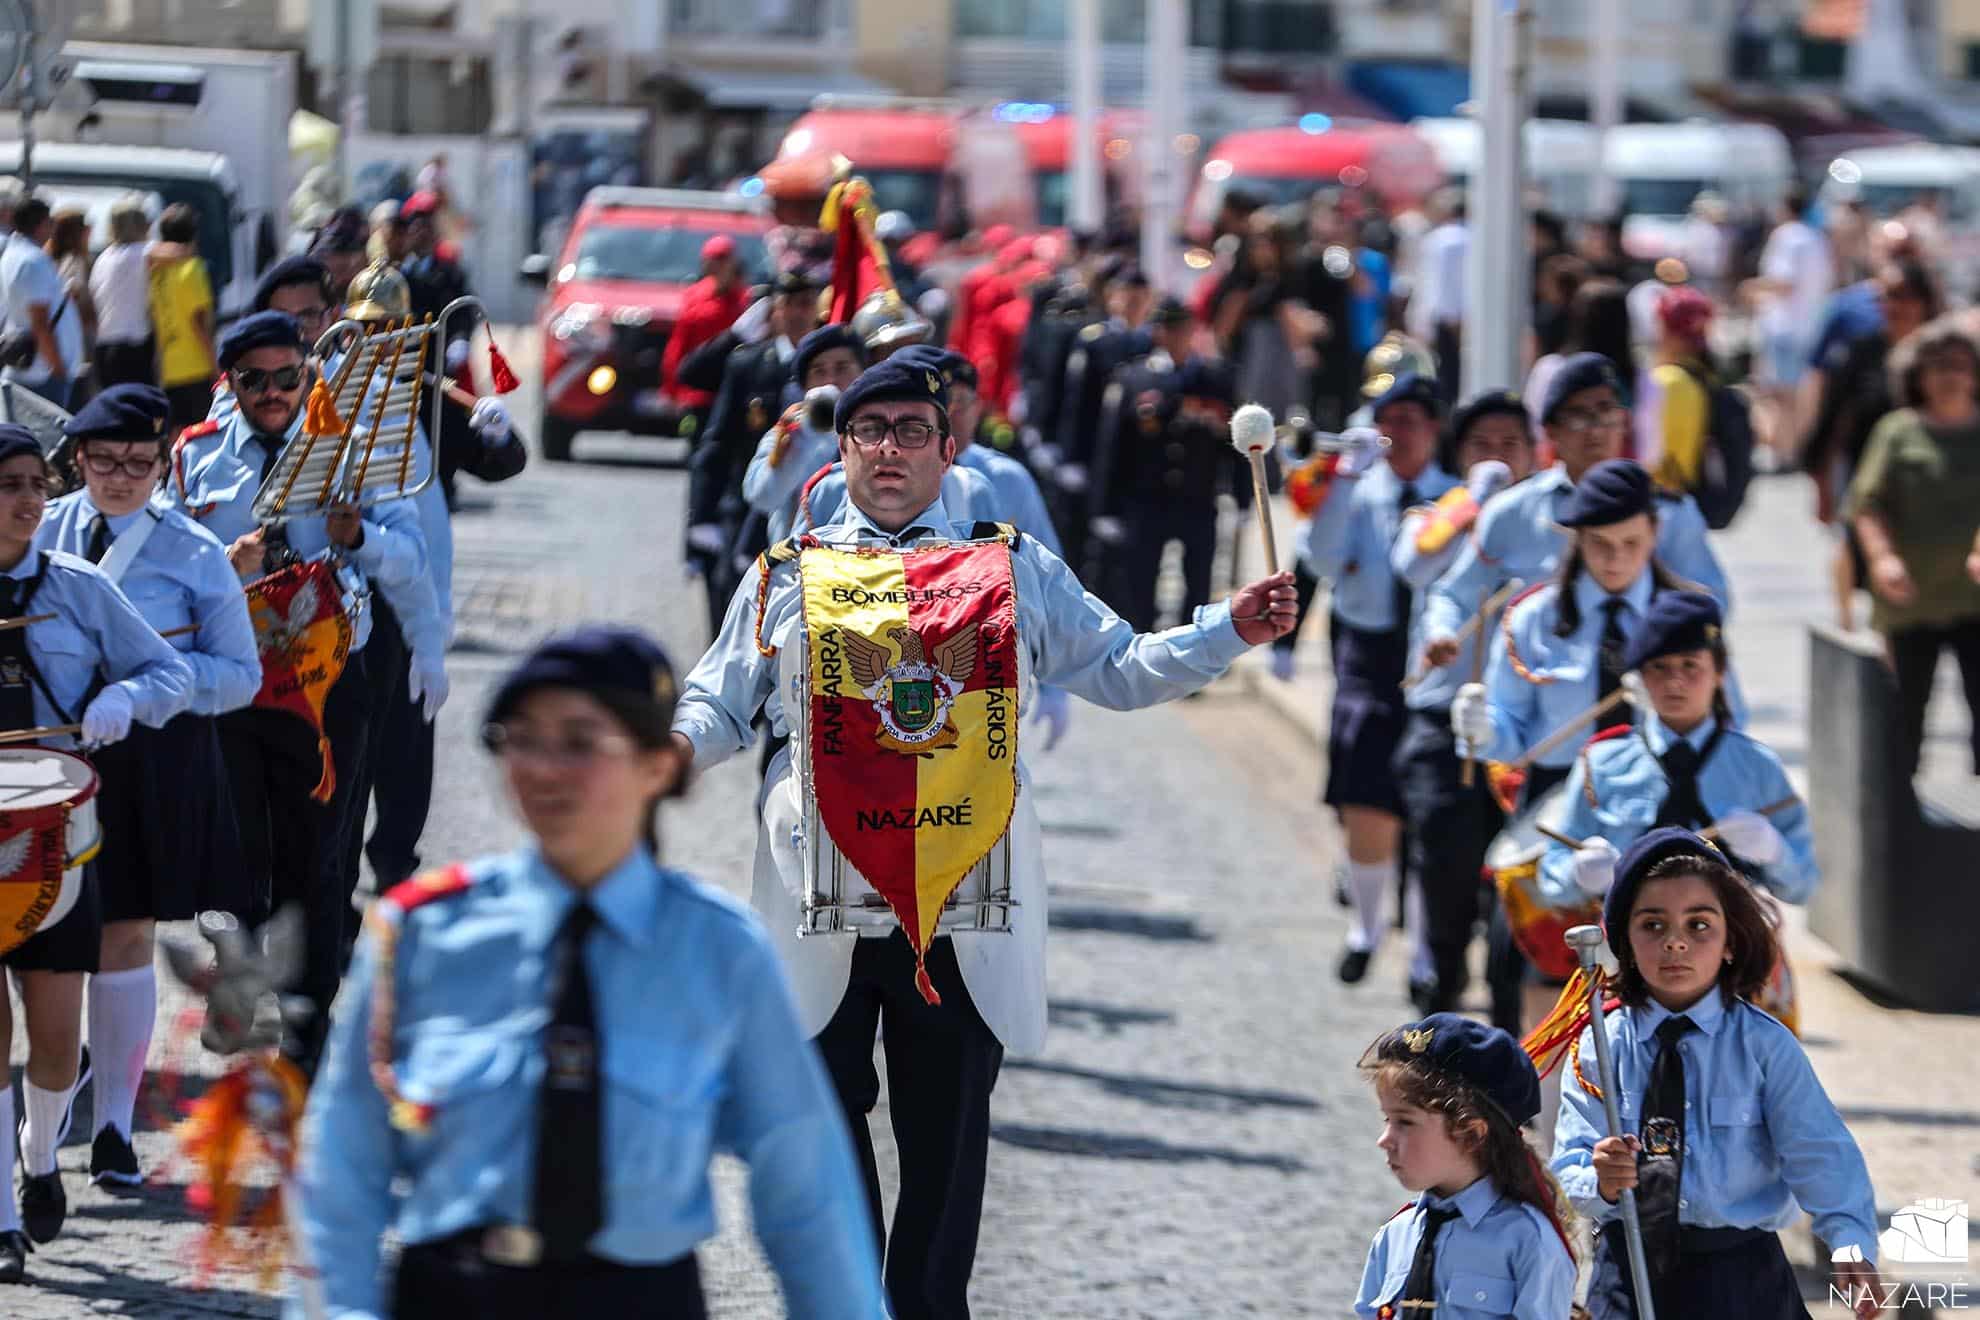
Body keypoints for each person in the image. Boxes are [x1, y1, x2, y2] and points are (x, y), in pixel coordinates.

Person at [670, 357, 1297, 1318]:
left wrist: (1227, 629)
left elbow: (1118, 665)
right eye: (869, 430)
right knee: (823, 1138)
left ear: (949, 448)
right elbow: (721, 698)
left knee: (947, 1149)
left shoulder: (1008, 566)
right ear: (840, 451)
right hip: (821, 898)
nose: (889, 449)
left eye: (910, 431)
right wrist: (666, 750)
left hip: (962, 898)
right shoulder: (788, 572)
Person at [293, 626, 885, 1318]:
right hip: (451, 1291)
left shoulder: (718, 951)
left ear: (659, 765)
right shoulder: (423, 933)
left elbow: (806, 1188)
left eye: (580, 742)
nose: (544, 768)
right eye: (523, 739)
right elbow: (343, 1166)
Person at [161, 310, 433, 1076]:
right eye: (257, 380)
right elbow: (166, 571)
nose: (276, 392)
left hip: (329, 685)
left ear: (309, 374)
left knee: (320, 859)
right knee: (232, 854)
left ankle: (308, 1037)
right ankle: (240, 987)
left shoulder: (349, 449)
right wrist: (226, 562)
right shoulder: (197, 457)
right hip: (236, 681)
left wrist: (357, 539)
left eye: (290, 376)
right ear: (231, 383)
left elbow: (411, 561)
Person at [35, 385, 259, 1187]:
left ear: (164, 465)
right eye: (103, 463)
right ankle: (39, 1130)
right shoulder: (42, 531)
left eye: (139, 464)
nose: (120, 478)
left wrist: (145, 690)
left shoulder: (194, 552)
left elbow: (240, 675)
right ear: (76, 463)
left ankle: (116, 1131)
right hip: (46, 757)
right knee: (36, 939)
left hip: (149, 762)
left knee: (122, 935)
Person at [0, 424, 193, 1281]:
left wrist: (123, 695)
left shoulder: (76, 587)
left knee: (50, 1040)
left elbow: (174, 675)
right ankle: (1, 1219)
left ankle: (40, 1157)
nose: (28, 501)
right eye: (7, 485)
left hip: (57, 845)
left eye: (35, 484)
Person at [1549, 829, 1882, 1319]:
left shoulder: (1764, 1046)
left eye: (1698, 925)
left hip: (1742, 1277)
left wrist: (1849, 1241)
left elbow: (1821, 1152)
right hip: (1630, 1271)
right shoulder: (1603, 1042)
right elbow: (1568, 1160)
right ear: (1624, 940)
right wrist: (1599, 1179)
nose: (1676, 943)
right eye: (1653, 925)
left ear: (1731, 941)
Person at [1301, 373, 1458, 985]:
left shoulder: (1455, 497)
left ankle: (1422, 954)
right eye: (1390, 420)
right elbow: (1320, 557)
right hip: (1368, 656)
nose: (1401, 432)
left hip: (1432, 659)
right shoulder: (1358, 491)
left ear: (1435, 428)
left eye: (1414, 420)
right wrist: (1342, 477)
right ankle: (1366, 927)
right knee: (1366, 802)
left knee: (1426, 816)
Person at [1391, 390, 1537, 1016]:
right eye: (1482, 445)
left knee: (1516, 895)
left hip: (1524, 730)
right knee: (1445, 866)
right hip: (1442, 720)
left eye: (1511, 445)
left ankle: (1509, 1025)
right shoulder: (1437, 515)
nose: (1498, 457)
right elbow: (1412, 565)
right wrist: (1473, 503)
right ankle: (1440, 982)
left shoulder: (1553, 521)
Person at [1354, 1013, 1577, 1319]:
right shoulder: (1396, 1234)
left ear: (1471, 1134)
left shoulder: (1526, 1240)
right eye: (1387, 1119)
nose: (1385, 1139)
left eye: (1405, 1122)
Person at [1846, 315, 1980, 779]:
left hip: (1974, 602)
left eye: (1959, 365)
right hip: (1910, 605)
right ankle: (1901, 832)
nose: (1949, 375)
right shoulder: (1897, 432)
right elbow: (1865, 504)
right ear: (1918, 374)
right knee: (1904, 721)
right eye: (1937, 364)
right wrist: (1882, 558)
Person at [685, 270, 825, 635]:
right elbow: (716, 442)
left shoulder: (832, 370)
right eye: (789, 303)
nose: (797, 312)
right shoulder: (747, 363)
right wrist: (700, 517)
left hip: (810, 509)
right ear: (774, 310)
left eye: (806, 303)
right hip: (747, 505)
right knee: (734, 604)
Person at [1803, 259, 1938, 629]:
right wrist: (1821, 480)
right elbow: (1832, 416)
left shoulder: (1945, 354)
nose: (1896, 306)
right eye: (1887, 297)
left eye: (1905, 296)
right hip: (1867, 474)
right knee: (1854, 547)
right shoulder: (1862, 350)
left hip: (1930, 478)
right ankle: (1850, 625)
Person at [1087, 299, 1234, 629]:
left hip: (1198, 497)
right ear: (1157, 334)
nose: (1177, 338)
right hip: (1147, 499)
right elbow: (1112, 447)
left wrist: (1241, 497)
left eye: (1183, 330)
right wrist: (1105, 508)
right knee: (1140, 585)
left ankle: (1190, 660)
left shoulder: (1213, 377)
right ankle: (1145, 653)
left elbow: (1232, 441)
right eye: (1169, 330)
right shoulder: (1134, 379)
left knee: (1197, 588)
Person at [1, 197, 87, 410]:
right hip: (42, 373)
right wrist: (58, 369)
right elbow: (40, 322)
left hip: (34, 367)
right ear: (41, 225)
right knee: (49, 439)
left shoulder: (15, 254)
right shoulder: (32, 261)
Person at [662, 235, 750, 436]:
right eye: (713, 259)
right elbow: (679, 344)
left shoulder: (745, 299)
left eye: (723, 259)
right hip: (697, 394)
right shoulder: (695, 297)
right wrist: (671, 389)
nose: (717, 265)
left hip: (732, 392)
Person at [148, 203, 218, 431]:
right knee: (200, 431)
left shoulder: (158, 271)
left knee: (175, 433)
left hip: (170, 367)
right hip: (195, 366)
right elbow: (198, 322)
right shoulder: (193, 268)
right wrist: (215, 366)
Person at [89, 197, 156, 389]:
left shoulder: (103, 258)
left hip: (104, 346)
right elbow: (173, 251)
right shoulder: (143, 252)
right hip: (134, 347)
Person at [45, 209, 98, 389]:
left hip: (54, 344)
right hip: (70, 345)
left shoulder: (47, 258)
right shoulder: (74, 262)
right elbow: (75, 304)